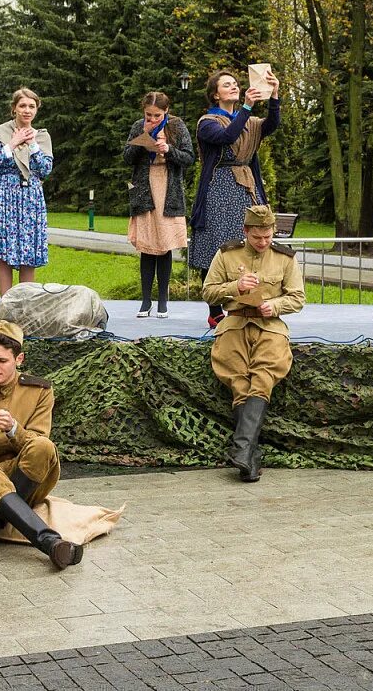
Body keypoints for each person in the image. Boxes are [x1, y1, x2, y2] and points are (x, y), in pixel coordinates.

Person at [0, 320, 84, 569]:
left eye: (2, 361)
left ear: (19, 359)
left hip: (26, 476)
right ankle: (51, 544)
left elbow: (39, 443)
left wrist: (13, 429)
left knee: (44, 447)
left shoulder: (40, 391)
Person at [202, 205, 305, 482]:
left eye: (268, 237)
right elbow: (208, 293)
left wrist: (275, 305)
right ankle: (249, 453)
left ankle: (243, 449)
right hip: (234, 322)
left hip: (270, 326)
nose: (263, 242)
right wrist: (236, 287)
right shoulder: (226, 255)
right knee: (237, 378)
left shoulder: (284, 258)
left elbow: (298, 297)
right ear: (246, 232)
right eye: (257, 237)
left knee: (264, 374)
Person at [189, 68, 281, 328]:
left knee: (246, 246)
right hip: (218, 190)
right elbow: (227, 136)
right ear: (215, 94)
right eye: (226, 85)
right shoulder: (207, 122)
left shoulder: (248, 121)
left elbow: (271, 126)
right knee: (216, 248)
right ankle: (214, 307)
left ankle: (245, 304)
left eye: (235, 84)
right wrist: (248, 107)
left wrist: (274, 97)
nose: (233, 87)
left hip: (245, 190)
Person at [124, 91, 195, 318]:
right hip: (145, 189)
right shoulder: (138, 126)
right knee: (147, 246)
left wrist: (169, 150)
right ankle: (146, 301)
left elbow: (189, 157)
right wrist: (142, 140)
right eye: (148, 115)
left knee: (164, 245)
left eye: (156, 115)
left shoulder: (176, 126)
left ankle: (163, 300)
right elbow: (127, 157)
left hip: (168, 188)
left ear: (166, 111)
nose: (152, 119)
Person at [0, 89, 52, 295]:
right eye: (22, 106)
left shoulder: (41, 137)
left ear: (37, 109)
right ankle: (6, 305)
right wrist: (12, 143)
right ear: (14, 108)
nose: (27, 111)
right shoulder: (0, 133)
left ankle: (25, 305)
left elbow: (45, 169)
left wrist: (31, 145)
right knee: (4, 254)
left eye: (31, 106)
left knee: (27, 253)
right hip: (4, 197)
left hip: (30, 198)